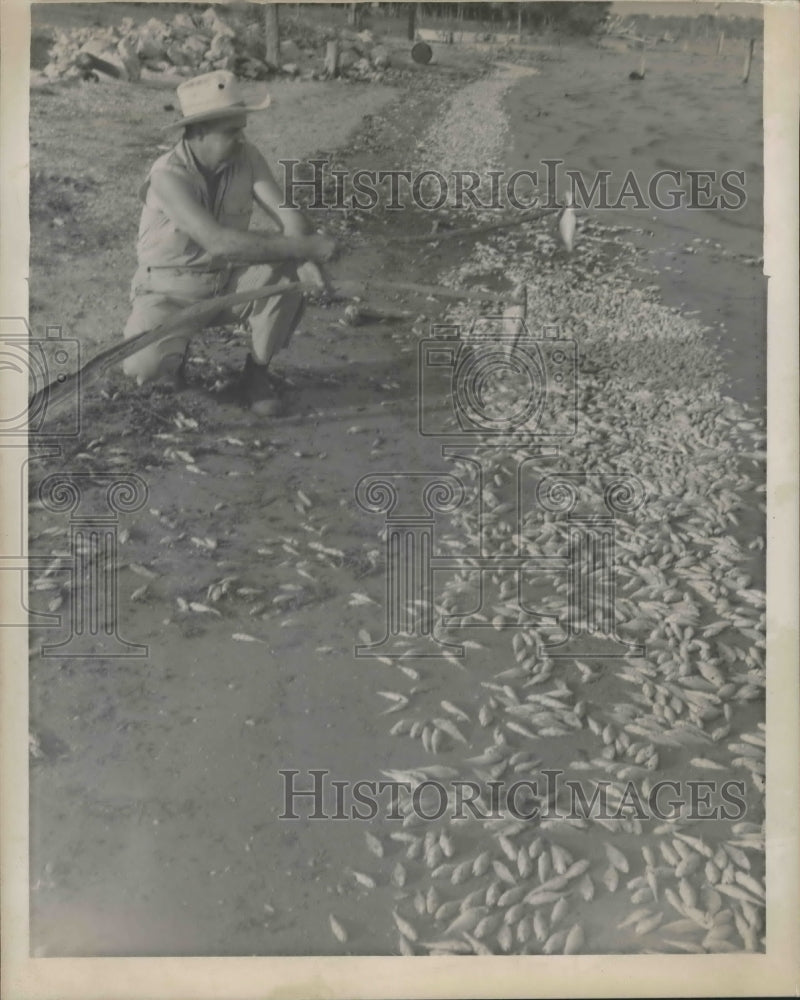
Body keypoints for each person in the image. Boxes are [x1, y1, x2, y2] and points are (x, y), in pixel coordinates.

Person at [121, 70, 336, 414]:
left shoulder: (246, 157)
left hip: (226, 284)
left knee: (288, 274)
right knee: (142, 367)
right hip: (167, 293)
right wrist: (308, 248)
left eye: (242, 128)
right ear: (200, 131)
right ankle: (173, 357)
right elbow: (219, 243)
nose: (241, 138)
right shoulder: (166, 176)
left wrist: (308, 261)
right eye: (232, 131)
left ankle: (256, 374)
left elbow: (289, 217)